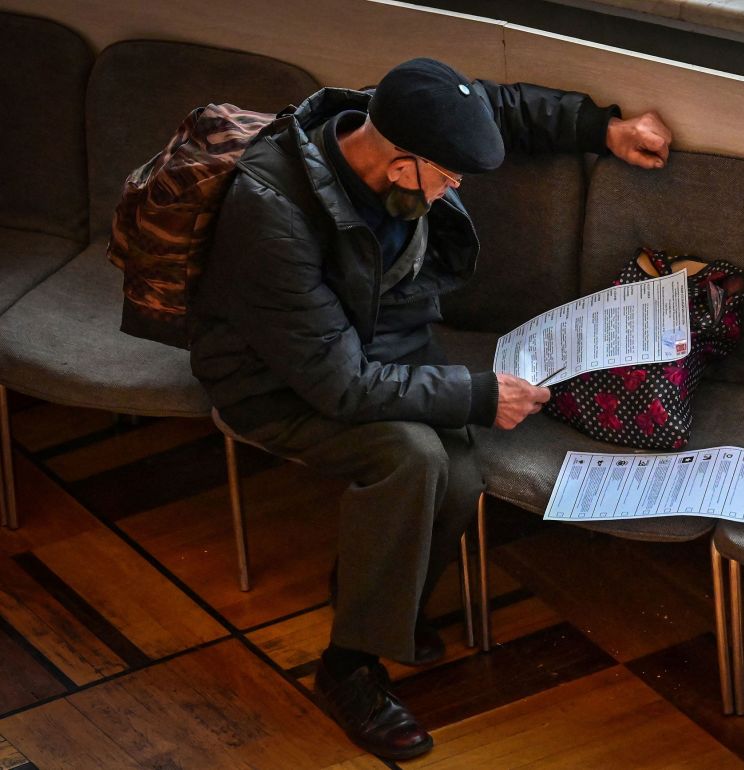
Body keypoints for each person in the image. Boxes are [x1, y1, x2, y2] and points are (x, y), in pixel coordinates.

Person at [189, 58, 672, 760]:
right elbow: (339, 386)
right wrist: (479, 395)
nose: (455, 191)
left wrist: (604, 128)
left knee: (464, 475)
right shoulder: (273, 213)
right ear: (398, 163)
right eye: (446, 179)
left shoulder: (398, 113)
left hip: (383, 350)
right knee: (411, 459)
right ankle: (349, 666)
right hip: (276, 384)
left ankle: (380, 599)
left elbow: (494, 110)